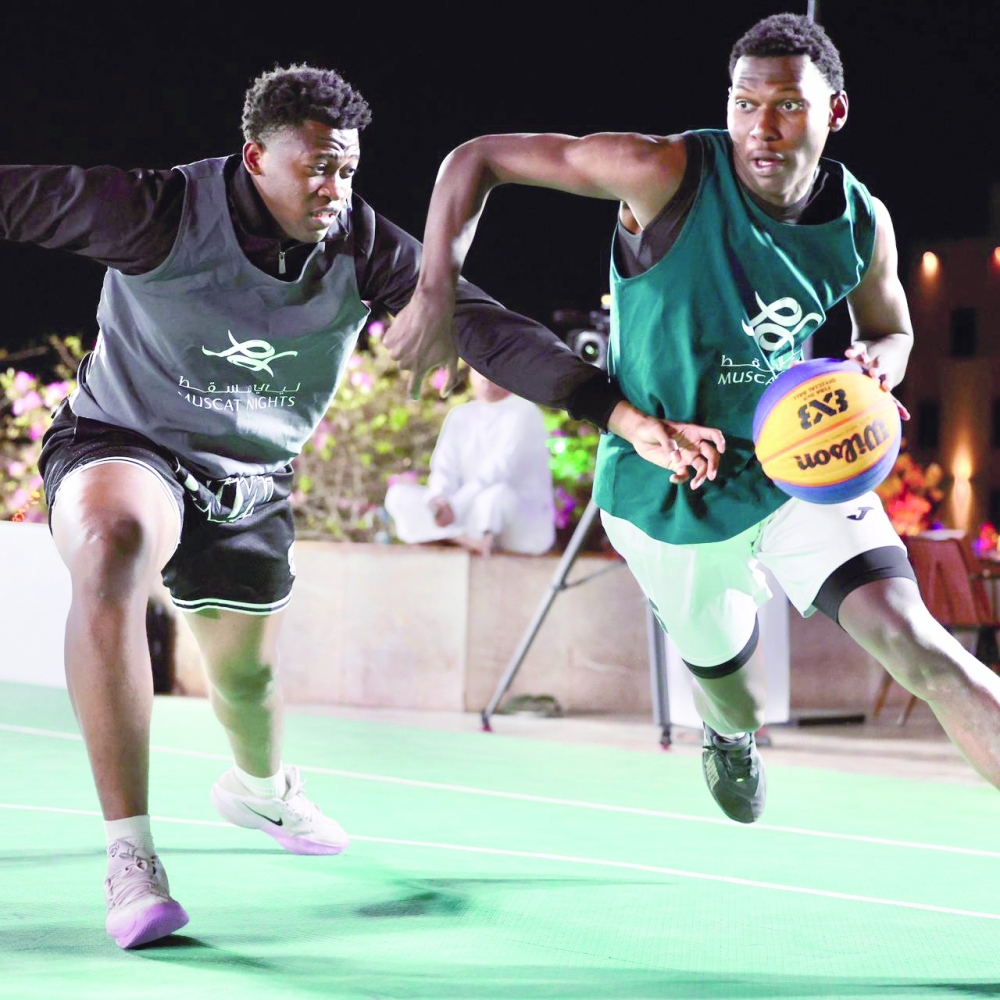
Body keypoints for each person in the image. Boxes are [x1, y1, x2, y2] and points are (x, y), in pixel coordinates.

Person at [0, 64, 616, 948]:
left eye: (350, 170)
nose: (336, 189)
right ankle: (130, 857)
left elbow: (488, 327)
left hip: (250, 480)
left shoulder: (363, 245)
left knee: (245, 681)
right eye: (318, 168)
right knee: (113, 543)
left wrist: (613, 407)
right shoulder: (157, 211)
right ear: (255, 156)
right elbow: (18, 199)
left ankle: (259, 790)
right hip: (123, 440)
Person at [383, 13, 1000, 822]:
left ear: (834, 113)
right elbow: (480, 158)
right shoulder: (665, 170)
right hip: (665, 489)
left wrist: (882, 360)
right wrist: (435, 292)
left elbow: (891, 327)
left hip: (796, 471)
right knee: (737, 698)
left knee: (919, 644)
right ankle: (727, 734)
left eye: (785, 106)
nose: (761, 127)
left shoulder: (861, 222)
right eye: (745, 104)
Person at [385, 366, 556, 556]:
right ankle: (462, 538)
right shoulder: (460, 415)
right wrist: (440, 499)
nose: (485, 379)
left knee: (495, 497)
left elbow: (500, 471)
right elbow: (444, 468)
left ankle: (455, 537)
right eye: (479, 371)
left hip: (509, 514)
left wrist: (455, 507)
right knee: (398, 495)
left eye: (491, 370)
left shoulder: (525, 412)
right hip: (463, 512)